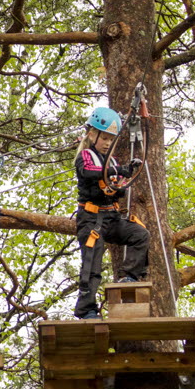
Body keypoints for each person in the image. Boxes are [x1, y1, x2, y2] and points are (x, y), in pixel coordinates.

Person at [73, 106, 149, 319]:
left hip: (111, 217)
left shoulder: (112, 161)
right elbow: (89, 172)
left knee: (140, 234)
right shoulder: (85, 156)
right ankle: (86, 310)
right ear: (92, 134)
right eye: (104, 138)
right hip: (91, 219)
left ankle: (129, 277)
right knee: (92, 262)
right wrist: (118, 171)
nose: (107, 143)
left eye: (110, 139)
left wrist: (122, 181)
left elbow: (115, 189)